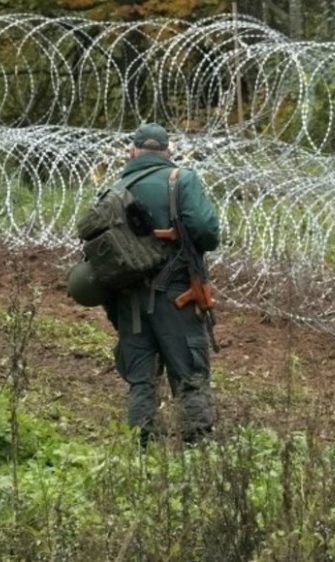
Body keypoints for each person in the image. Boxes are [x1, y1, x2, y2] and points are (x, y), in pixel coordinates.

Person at [106, 123, 220, 446]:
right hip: (178, 298)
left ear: (132, 152)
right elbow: (209, 233)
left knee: (141, 381)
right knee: (189, 375)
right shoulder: (180, 180)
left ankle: (144, 453)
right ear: (168, 153)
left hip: (129, 302)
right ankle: (196, 449)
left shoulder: (115, 189)